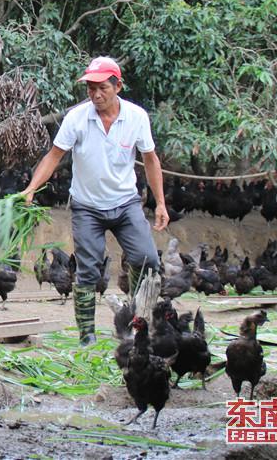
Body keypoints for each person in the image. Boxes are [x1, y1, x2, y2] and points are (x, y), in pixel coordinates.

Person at [21, 56, 168, 346]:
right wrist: (31, 188)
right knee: (87, 271)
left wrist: (160, 202)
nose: (96, 94)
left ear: (118, 86)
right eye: (91, 88)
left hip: (126, 203)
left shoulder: (137, 117)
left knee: (147, 259)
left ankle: (136, 319)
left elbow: (150, 160)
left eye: (102, 88)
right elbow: (54, 155)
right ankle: (86, 337)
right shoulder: (77, 118)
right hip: (87, 207)